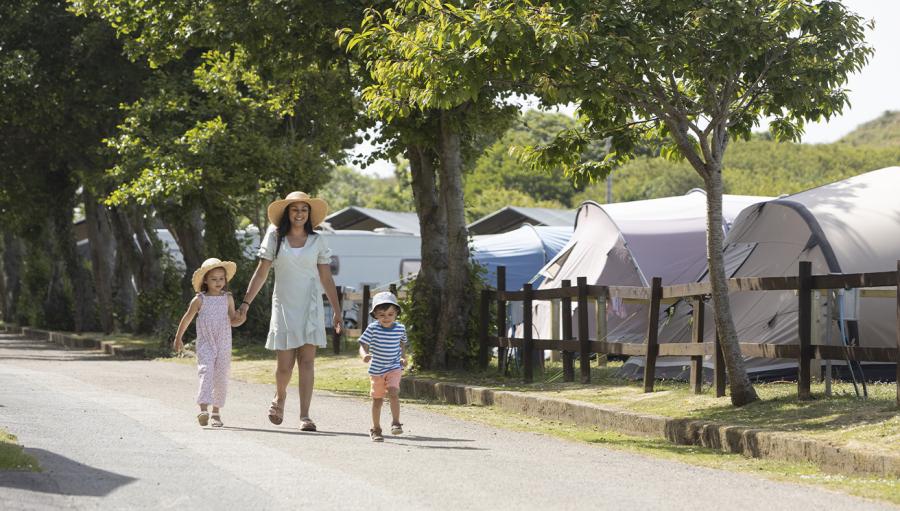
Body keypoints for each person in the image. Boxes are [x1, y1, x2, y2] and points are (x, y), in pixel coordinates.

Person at [237, 191, 342, 432]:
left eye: (304, 210)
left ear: (309, 214)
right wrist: (245, 304)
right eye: (294, 209)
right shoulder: (275, 238)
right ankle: (280, 396)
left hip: (310, 306)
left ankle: (305, 415)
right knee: (284, 366)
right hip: (283, 304)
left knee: (307, 362)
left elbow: (326, 278)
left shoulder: (318, 241)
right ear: (287, 213)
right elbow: (261, 273)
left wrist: (336, 311)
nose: (299, 214)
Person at [174, 258, 245, 428]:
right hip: (206, 342)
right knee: (206, 372)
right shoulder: (199, 299)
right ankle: (203, 409)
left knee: (221, 376)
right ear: (205, 280)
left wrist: (241, 318)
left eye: (221, 278)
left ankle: (216, 413)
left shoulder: (227, 298)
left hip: (223, 343)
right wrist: (178, 338)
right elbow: (187, 318)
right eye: (214, 279)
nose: (218, 282)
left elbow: (232, 320)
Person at [358, 291, 408, 442]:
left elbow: (402, 344)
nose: (386, 318)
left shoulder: (400, 328)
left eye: (390, 314)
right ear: (375, 316)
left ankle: (396, 422)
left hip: (394, 367)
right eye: (382, 315)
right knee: (377, 400)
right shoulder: (373, 328)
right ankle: (376, 428)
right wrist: (364, 355)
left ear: (396, 314)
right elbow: (362, 345)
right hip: (377, 370)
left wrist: (403, 357)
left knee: (393, 391)